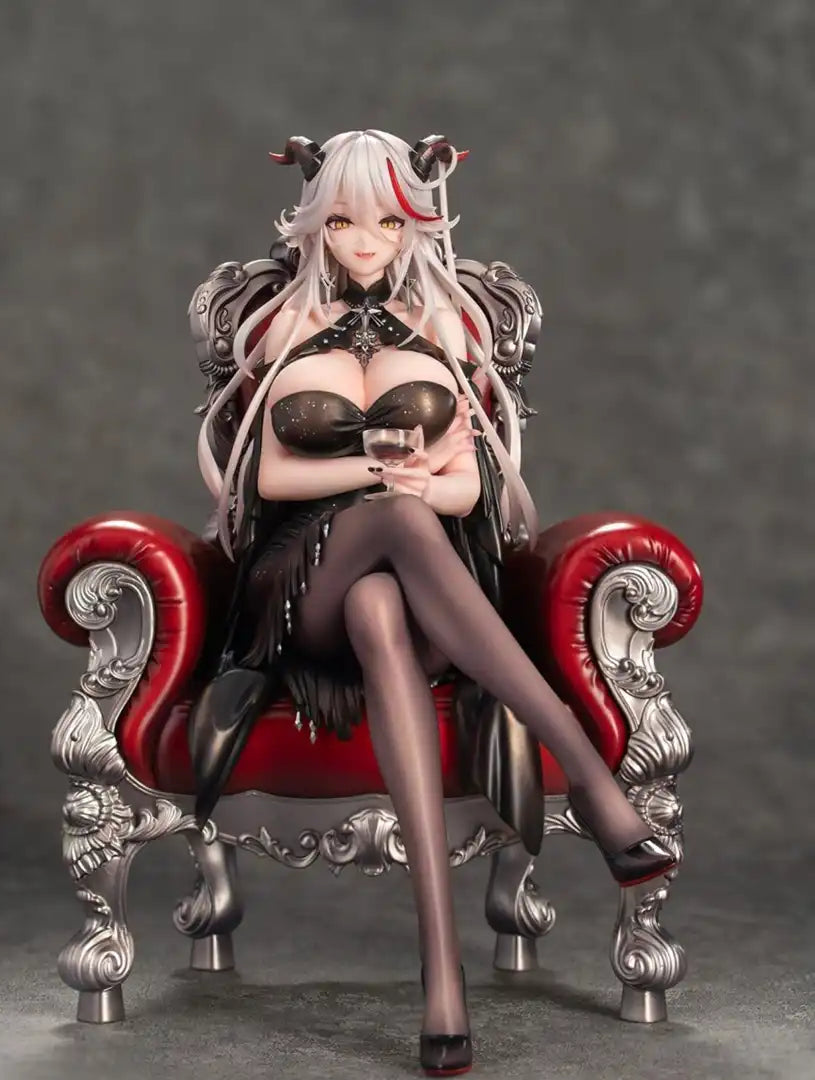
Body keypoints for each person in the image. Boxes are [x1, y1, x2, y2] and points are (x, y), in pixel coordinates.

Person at [191, 130, 676, 1077]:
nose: (363, 242)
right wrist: (381, 476)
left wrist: (421, 485)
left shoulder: (445, 327)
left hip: (415, 601)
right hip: (302, 585)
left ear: (414, 224)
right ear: (314, 224)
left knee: (383, 598)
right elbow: (274, 477)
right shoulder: (285, 327)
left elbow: (467, 486)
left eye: (385, 221)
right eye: (342, 222)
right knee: (389, 531)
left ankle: (441, 979)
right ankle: (588, 774)